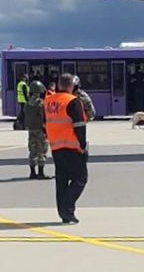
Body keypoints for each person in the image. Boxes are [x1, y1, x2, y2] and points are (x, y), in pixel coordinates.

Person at [46, 73, 88, 225]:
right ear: (71, 85)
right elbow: (79, 126)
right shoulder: (73, 101)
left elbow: (46, 122)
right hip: (72, 146)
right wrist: (82, 145)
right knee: (80, 178)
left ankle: (64, 213)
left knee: (61, 180)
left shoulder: (49, 101)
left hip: (55, 146)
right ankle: (67, 208)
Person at [25, 80, 49, 179]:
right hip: (40, 129)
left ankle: (32, 172)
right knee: (41, 150)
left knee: (32, 150)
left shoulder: (27, 104)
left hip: (31, 129)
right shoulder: (41, 104)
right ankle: (41, 173)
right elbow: (45, 116)